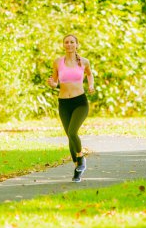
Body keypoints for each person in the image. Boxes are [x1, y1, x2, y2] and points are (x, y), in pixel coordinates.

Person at [47, 34, 94, 182]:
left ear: (77, 45)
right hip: (64, 103)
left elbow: (90, 75)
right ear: (63, 45)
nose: (69, 44)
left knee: (73, 132)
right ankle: (77, 169)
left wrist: (91, 85)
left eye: (72, 42)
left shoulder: (84, 62)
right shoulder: (57, 62)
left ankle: (81, 158)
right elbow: (54, 81)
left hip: (80, 102)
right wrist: (52, 84)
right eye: (66, 42)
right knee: (69, 136)